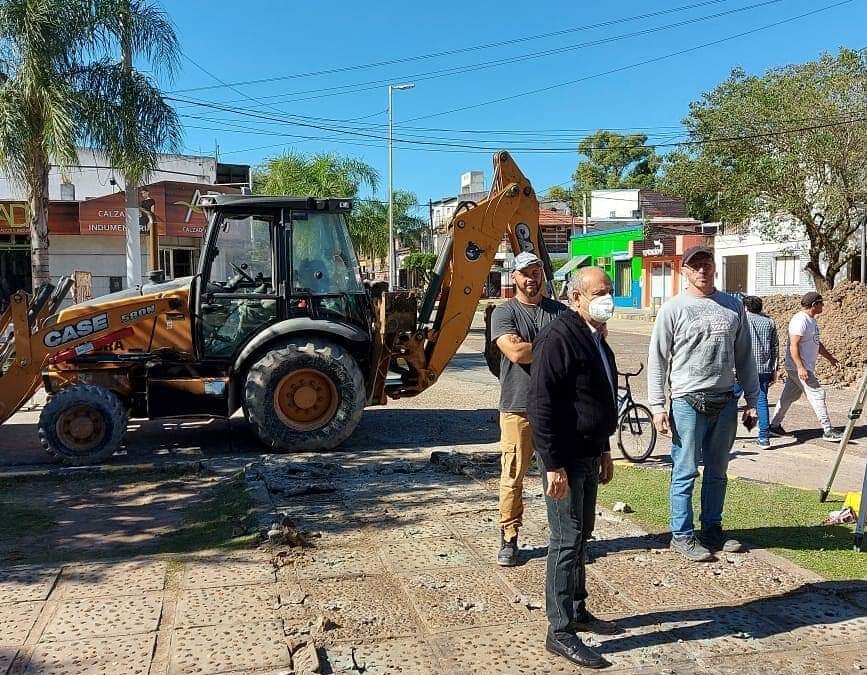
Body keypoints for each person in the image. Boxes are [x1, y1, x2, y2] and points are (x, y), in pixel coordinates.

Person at [528, 266, 617, 670]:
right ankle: (559, 630)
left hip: (588, 452)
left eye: (610, 290)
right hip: (564, 458)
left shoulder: (596, 338)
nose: (607, 298)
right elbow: (541, 405)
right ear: (576, 298)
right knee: (566, 539)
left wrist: (604, 449)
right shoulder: (559, 336)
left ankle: (578, 610)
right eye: (599, 292)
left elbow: (597, 400)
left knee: (583, 535)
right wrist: (552, 464)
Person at [648, 246, 759, 563]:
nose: (701, 271)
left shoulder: (733, 307)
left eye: (706, 265)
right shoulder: (673, 309)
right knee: (684, 470)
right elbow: (657, 360)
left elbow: (745, 357)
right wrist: (657, 406)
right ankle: (682, 535)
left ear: (715, 269)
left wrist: (753, 401)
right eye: (695, 266)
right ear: (684, 271)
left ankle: (712, 529)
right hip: (686, 401)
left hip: (724, 399)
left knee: (717, 471)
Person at [490, 251, 567, 567]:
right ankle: (509, 538)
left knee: (562, 475)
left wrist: (538, 346)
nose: (531, 278)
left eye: (536, 272)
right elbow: (516, 352)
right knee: (512, 476)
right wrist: (556, 346)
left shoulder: (559, 311)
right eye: (525, 273)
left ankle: (565, 539)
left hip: (558, 408)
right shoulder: (503, 313)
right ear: (514, 277)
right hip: (517, 407)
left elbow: (577, 346)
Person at [769, 291, 842, 441]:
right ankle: (828, 430)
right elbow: (793, 346)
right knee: (817, 394)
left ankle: (774, 426)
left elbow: (816, 343)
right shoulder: (800, 320)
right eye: (821, 303)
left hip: (799, 367)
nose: (823, 305)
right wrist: (801, 367)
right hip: (799, 367)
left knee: (789, 397)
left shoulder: (811, 320)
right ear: (814, 304)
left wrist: (831, 358)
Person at [734, 296, 779, 448]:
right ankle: (764, 437)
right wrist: (774, 369)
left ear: (745, 307)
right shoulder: (770, 322)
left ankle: (724, 433)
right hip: (763, 368)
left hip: (742, 367)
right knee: (761, 401)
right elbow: (774, 347)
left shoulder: (741, 319)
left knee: (730, 401)